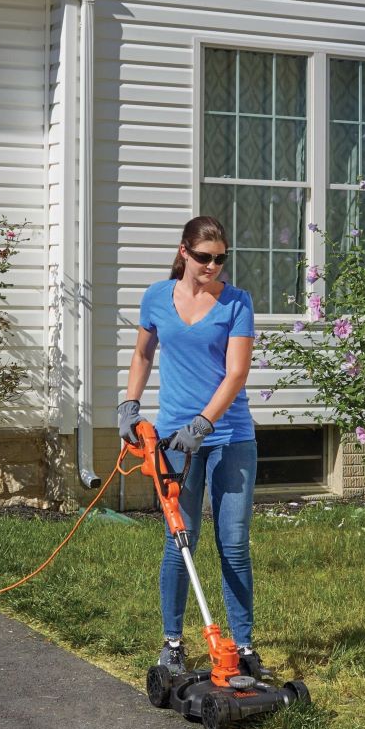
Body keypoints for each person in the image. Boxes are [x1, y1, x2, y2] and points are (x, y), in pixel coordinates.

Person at [117, 216, 264, 679]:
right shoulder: (156, 297)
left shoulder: (237, 302)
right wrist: (129, 405)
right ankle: (173, 644)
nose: (212, 266)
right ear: (184, 252)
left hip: (230, 437)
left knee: (233, 543)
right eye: (204, 257)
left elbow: (236, 373)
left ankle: (243, 646)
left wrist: (204, 423)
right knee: (180, 541)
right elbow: (142, 354)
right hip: (173, 440)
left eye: (220, 259)